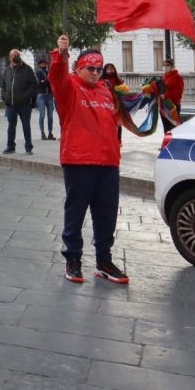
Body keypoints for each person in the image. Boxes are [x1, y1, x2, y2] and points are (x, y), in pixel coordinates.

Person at [49, 35, 128, 285]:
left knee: (106, 214)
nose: (95, 73)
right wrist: (61, 55)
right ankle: (73, 259)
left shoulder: (107, 91)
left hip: (108, 162)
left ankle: (104, 261)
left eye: (98, 69)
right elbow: (57, 77)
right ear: (78, 68)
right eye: (89, 68)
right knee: (76, 212)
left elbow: (118, 122)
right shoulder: (69, 87)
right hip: (79, 160)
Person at [0, 49, 38, 155]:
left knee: (26, 125)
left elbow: (34, 85)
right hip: (10, 104)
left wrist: (26, 96)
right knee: (11, 126)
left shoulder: (27, 69)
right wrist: (4, 96)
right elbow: (3, 85)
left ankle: (28, 147)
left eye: (17, 55)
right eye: (13, 55)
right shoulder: (7, 70)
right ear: (10, 57)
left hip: (24, 104)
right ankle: (10, 146)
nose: (15, 57)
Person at [35, 58, 57, 141]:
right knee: (42, 115)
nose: (44, 65)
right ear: (40, 64)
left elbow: (52, 82)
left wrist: (46, 81)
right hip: (41, 95)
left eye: (45, 64)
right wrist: (47, 81)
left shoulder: (49, 72)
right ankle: (42, 132)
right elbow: (40, 83)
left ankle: (50, 132)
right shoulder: (37, 72)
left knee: (50, 116)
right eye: (42, 64)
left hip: (50, 95)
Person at [162, 59, 184, 132]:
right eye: (164, 65)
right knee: (166, 128)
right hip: (164, 106)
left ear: (172, 66)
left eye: (167, 65)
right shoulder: (164, 77)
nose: (165, 67)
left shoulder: (177, 77)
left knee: (173, 128)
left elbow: (178, 93)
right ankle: (167, 141)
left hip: (173, 106)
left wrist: (165, 95)